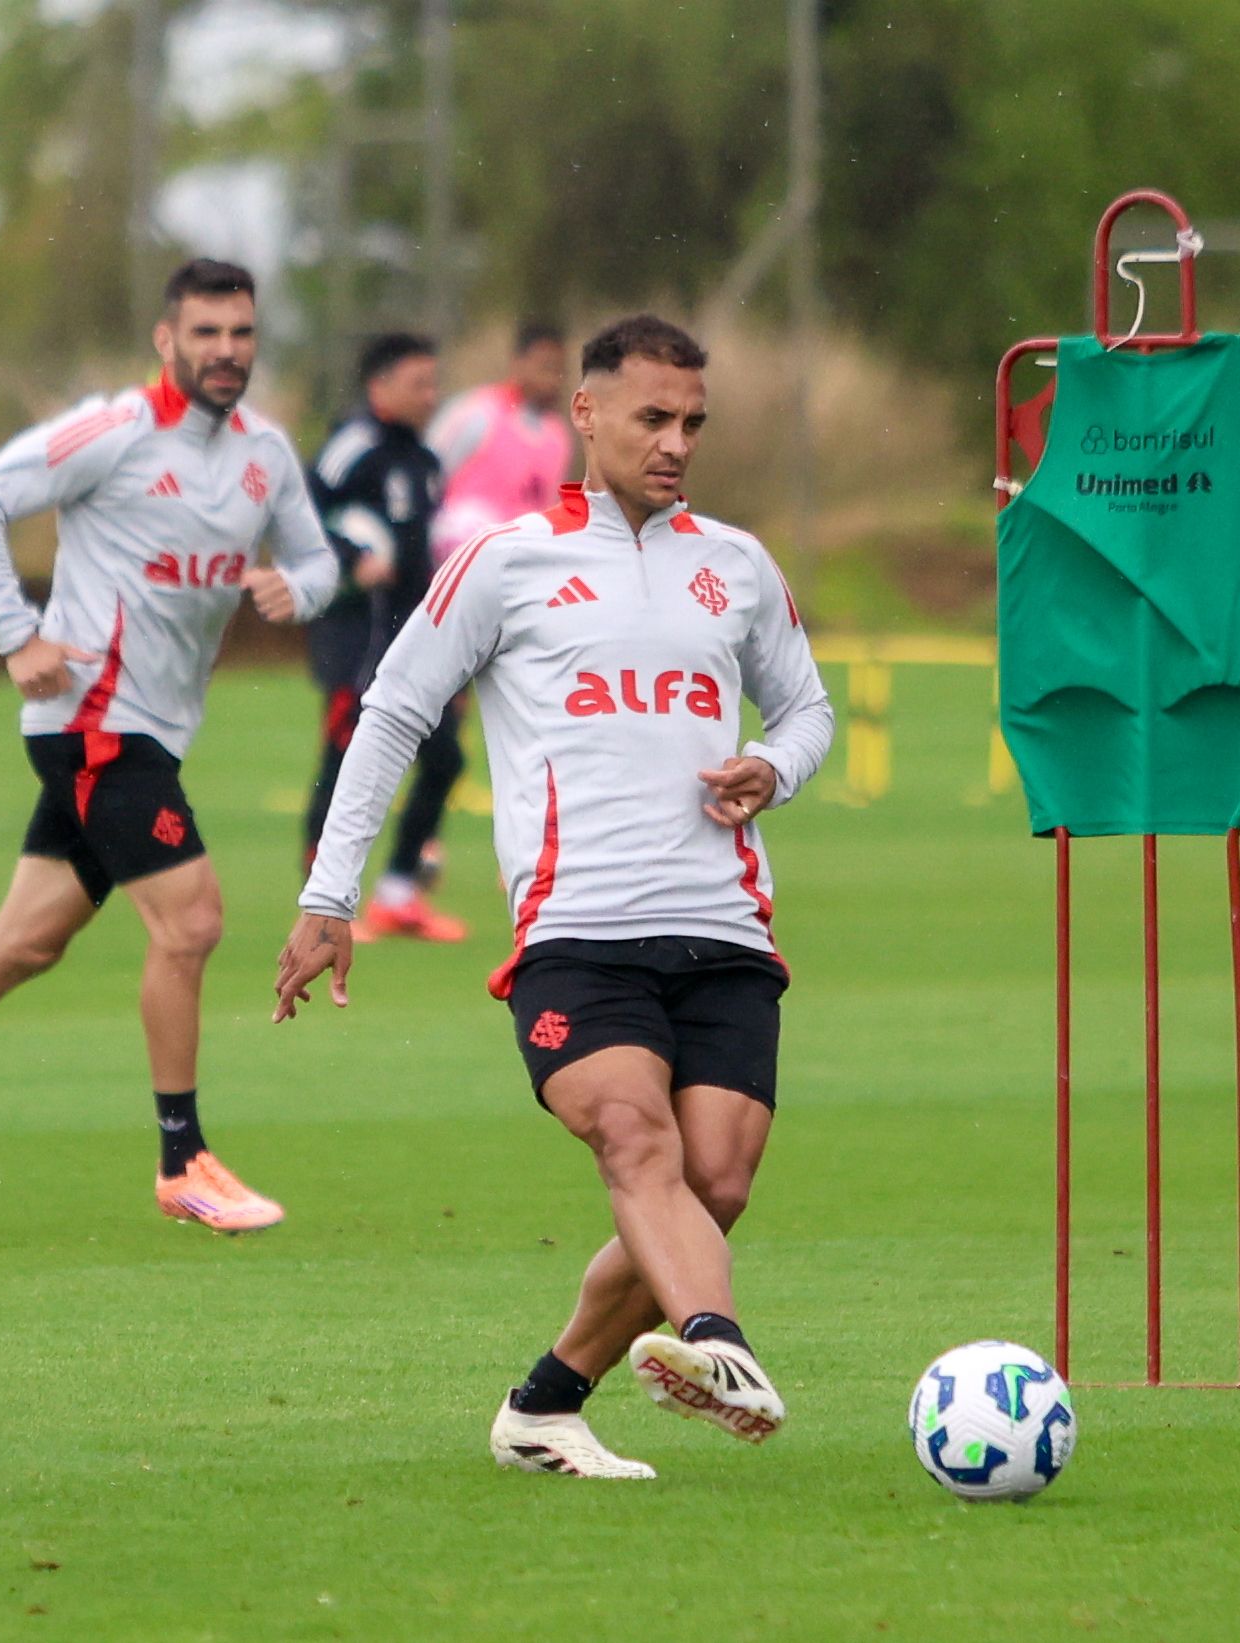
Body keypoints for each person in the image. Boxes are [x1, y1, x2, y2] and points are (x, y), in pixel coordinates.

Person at [274, 314, 834, 1479]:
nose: (675, 442)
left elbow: (808, 711)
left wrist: (771, 766)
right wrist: (330, 893)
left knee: (713, 1180)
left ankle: (543, 1404)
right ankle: (715, 1344)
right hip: (575, 936)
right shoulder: (506, 560)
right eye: (651, 417)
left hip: (723, 927)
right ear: (587, 413)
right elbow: (391, 711)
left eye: (692, 423)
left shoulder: (734, 562)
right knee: (638, 1142)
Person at [0, 259, 338, 1233]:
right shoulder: (116, 431)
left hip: (150, 733)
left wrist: (301, 590)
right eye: (204, 332)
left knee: (23, 943)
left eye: (241, 333)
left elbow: (319, 557)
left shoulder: (264, 453)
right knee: (192, 920)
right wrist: (16, 635)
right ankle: (184, 1160)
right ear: (166, 341)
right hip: (94, 720)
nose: (225, 351)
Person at [299, 332, 466, 943]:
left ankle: (398, 896)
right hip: (358, 635)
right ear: (381, 387)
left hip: (416, 635)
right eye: (420, 383)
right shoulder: (352, 449)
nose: (433, 395)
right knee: (343, 757)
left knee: (445, 758)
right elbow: (301, 517)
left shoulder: (423, 460)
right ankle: (316, 904)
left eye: (435, 382)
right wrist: (349, 555)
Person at [427, 320, 576, 560]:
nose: (553, 379)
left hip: (518, 554)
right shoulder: (478, 411)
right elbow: (431, 470)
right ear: (518, 363)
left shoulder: (558, 435)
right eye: (545, 367)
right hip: (462, 549)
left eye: (559, 369)